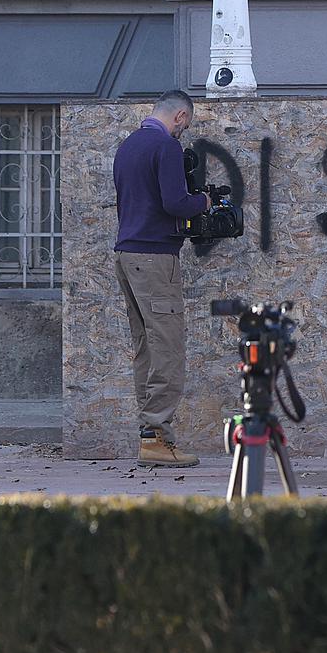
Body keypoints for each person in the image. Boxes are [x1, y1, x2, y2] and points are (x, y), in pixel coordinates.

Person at [113, 89, 212, 467]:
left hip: (126, 255)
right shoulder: (165, 147)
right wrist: (203, 201)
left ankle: (149, 436)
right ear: (181, 118)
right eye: (184, 125)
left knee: (147, 348)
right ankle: (156, 436)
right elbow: (175, 203)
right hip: (155, 257)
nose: (182, 132)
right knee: (168, 348)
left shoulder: (128, 146)